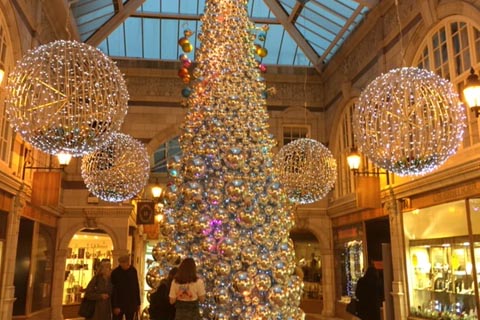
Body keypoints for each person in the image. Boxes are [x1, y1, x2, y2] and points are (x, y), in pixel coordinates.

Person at [111, 254, 141, 320]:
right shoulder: (115, 273)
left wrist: (138, 302)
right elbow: (113, 290)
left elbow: (136, 287)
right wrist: (115, 306)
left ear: (128, 262)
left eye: (125, 262)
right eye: (122, 263)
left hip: (131, 303)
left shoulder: (133, 271)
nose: (123, 264)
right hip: (119, 303)